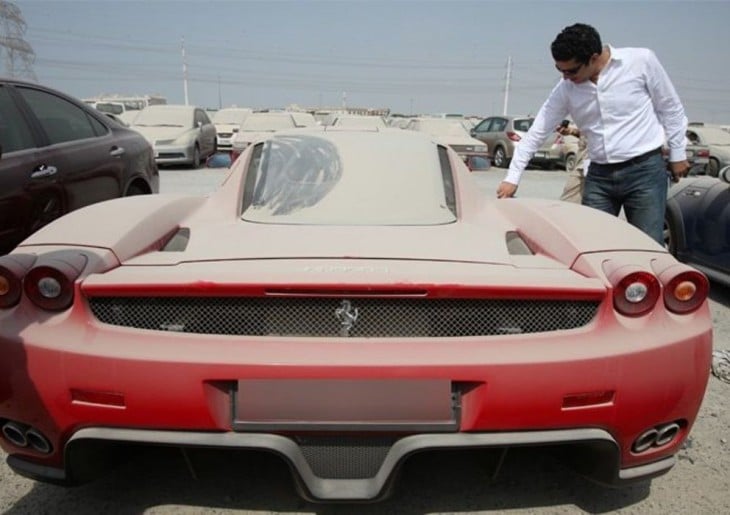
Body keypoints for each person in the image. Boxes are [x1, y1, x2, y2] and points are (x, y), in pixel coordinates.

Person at [496, 23, 689, 244]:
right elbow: (538, 131)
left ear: (594, 57)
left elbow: (670, 108)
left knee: (646, 245)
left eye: (572, 70)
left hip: (644, 172)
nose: (566, 77)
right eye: (560, 71)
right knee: (593, 245)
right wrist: (512, 177)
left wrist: (678, 153)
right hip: (599, 177)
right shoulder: (566, 88)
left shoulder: (641, 62)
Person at [558, 123, 588, 203]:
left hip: (590, 165)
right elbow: (585, 135)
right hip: (583, 164)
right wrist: (571, 131)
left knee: (567, 203)